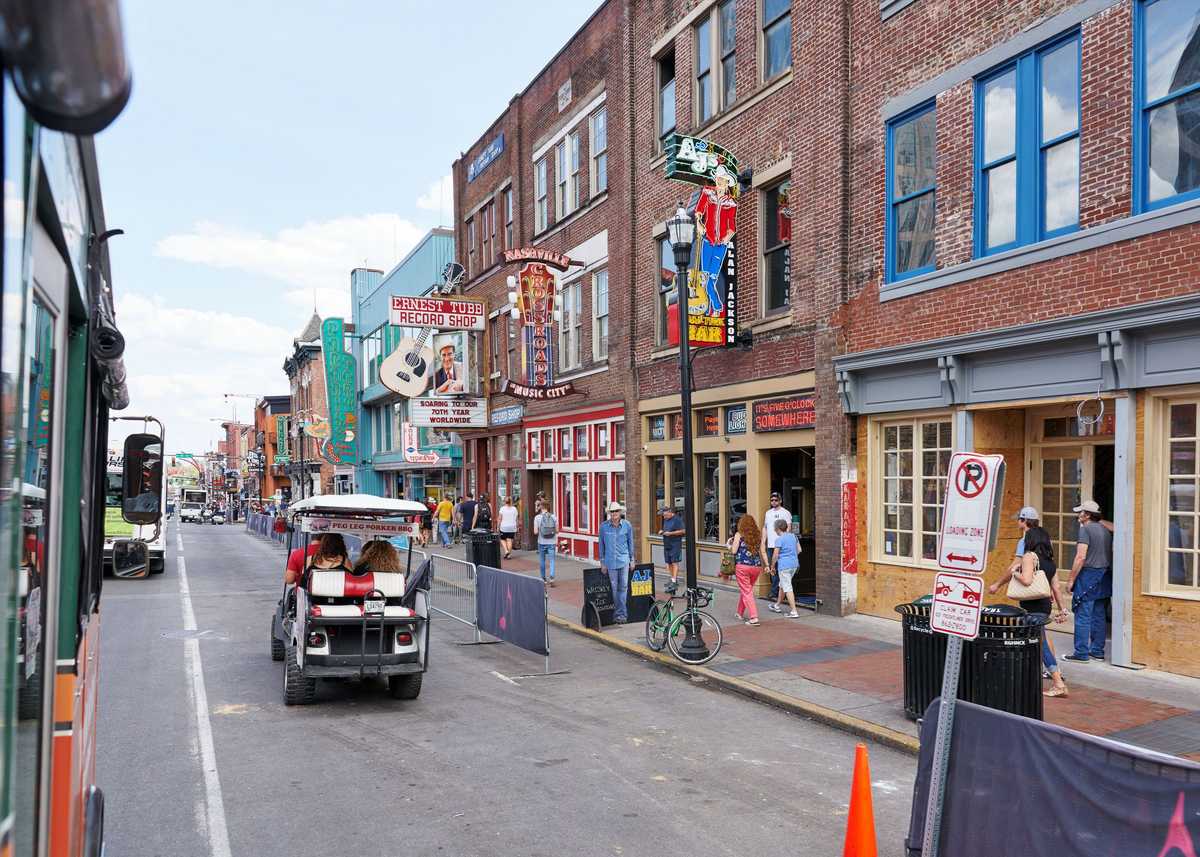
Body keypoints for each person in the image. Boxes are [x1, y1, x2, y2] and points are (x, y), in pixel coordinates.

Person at [988, 507, 1068, 696]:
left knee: (1039, 642)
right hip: (1044, 605)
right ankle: (1045, 676)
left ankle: (1057, 683)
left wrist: (1015, 572)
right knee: (1039, 639)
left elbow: (1026, 580)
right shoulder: (1049, 561)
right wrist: (1063, 609)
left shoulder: (1029, 556)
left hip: (1032, 606)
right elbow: (1055, 587)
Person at [1065, 499, 1113, 663]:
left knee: (1082, 615)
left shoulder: (1085, 530)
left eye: (1081, 512)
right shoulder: (1105, 530)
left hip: (1089, 575)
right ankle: (1097, 651)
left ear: (1087, 515)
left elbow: (1080, 557)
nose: (1078, 515)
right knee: (1099, 615)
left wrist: (1071, 580)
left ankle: (1081, 653)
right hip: (1105, 575)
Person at [598, 502, 634, 623]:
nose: (614, 514)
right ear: (609, 513)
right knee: (614, 588)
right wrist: (602, 562)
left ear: (620, 512)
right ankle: (617, 613)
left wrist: (632, 560)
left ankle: (622, 615)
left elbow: (630, 543)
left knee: (623, 588)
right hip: (610, 562)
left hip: (624, 561)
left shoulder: (627, 525)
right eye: (612, 512)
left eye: (616, 511)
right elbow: (601, 546)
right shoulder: (603, 527)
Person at [728, 514, 767, 625]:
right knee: (747, 590)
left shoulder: (739, 534)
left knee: (747, 591)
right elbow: (762, 551)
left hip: (742, 567)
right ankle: (739, 612)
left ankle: (754, 617)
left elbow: (734, 551)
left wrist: (729, 545)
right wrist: (767, 564)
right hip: (756, 566)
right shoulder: (758, 535)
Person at [760, 492, 791, 603]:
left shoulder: (785, 513)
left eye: (776, 500)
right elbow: (765, 527)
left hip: (781, 546)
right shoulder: (768, 513)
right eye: (772, 500)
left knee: (782, 569)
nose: (773, 502)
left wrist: (785, 542)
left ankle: (778, 592)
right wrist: (763, 540)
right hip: (770, 545)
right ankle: (775, 591)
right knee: (772, 569)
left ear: (780, 501)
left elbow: (788, 528)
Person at [768, 518, 801, 618]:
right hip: (794, 564)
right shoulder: (793, 536)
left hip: (784, 566)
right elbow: (799, 550)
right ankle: (777, 605)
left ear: (778, 529)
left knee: (787, 587)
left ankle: (794, 611)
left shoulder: (779, 540)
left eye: (774, 529)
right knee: (782, 585)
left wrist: (772, 566)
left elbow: (775, 555)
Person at [659, 505, 685, 594]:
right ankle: (673, 579)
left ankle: (674, 581)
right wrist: (662, 531)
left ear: (669, 512)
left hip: (675, 544)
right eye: (663, 515)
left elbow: (683, 531)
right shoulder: (666, 519)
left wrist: (670, 533)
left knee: (674, 562)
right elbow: (665, 529)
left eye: (665, 515)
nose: (664, 517)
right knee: (669, 562)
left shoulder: (677, 519)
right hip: (667, 544)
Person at [533, 501, 558, 585]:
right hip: (552, 542)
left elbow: (535, 532)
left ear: (541, 507)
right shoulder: (554, 517)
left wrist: (541, 530)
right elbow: (557, 531)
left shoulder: (537, 517)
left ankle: (543, 579)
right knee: (552, 560)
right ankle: (552, 577)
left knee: (542, 560)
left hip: (541, 542)